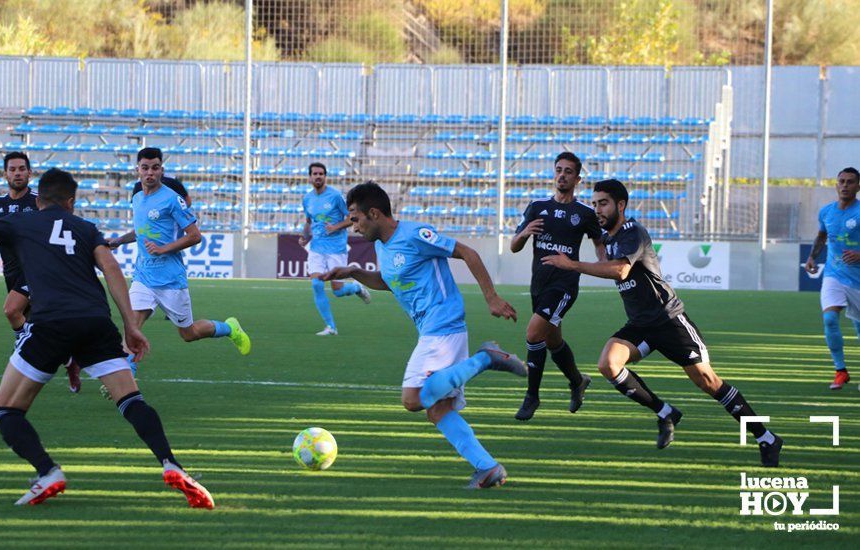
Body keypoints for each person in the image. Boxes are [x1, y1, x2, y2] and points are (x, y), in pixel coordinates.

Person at [0, 168, 214, 508]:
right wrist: (131, 325)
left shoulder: (19, 221)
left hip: (50, 323)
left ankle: (47, 472)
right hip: (95, 323)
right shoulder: (86, 228)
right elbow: (112, 269)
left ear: (38, 200)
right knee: (131, 400)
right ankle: (171, 464)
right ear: (72, 202)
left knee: (5, 413)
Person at [542, 179, 783, 467]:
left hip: (668, 319)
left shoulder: (633, 232)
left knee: (708, 382)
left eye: (603, 203)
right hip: (640, 324)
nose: (597, 209)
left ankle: (766, 437)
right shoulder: (610, 238)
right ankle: (665, 411)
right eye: (593, 204)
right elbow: (605, 256)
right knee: (608, 363)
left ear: (621, 205)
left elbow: (620, 271)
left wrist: (572, 264)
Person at [321, 181, 527, 488]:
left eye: (354, 217)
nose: (352, 226)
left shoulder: (416, 235)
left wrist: (491, 297)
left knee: (413, 398)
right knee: (438, 409)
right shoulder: (382, 245)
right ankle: (488, 467)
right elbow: (390, 281)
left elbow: (467, 253)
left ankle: (486, 358)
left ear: (374, 213)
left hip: (442, 322)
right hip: (431, 328)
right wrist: (353, 272)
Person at [106, 148, 250, 381]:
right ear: (137, 170)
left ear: (161, 170)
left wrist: (163, 248)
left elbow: (195, 235)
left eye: (155, 168)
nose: (150, 172)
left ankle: (229, 328)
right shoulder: (136, 198)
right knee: (131, 324)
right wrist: (120, 241)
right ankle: (127, 376)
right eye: (145, 168)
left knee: (189, 333)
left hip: (170, 280)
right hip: (143, 275)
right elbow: (141, 231)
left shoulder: (172, 199)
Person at [510, 152, 604, 420]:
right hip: (539, 284)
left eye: (568, 171)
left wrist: (605, 266)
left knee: (533, 333)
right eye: (558, 170)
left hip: (564, 286)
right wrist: (525, 233)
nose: (562, 175)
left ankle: (532, 397)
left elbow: (599, 244)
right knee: (552, 339)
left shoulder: (585, 213)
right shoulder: (537, 207)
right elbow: (514, 247)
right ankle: (577, 381)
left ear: (578, 178)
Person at [0, 152, 82, 393]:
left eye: (22, 169)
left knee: (11, 310)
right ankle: (70, 361)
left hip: (36, 269)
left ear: (30, 173)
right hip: (11, 273)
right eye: (12, 169)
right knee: (41, 325)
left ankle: (23, 350)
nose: (17, 173)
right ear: (5, 174)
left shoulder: (38, 202)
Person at [299, 162, 370, 336]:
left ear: (325, 176)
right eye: (315, 173)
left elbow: (352, 217)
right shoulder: (307, 199)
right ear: (310, 177)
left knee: (337, 290)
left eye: (321, 174)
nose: (318, 176)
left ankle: (356, 288)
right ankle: (331, 327)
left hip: (336, 248)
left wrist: (336, 227)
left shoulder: (335, 196)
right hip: (316, 248)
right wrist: (304, 237)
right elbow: (309, 221)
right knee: (317, 284)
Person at [805, 167, 860, 390]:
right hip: (833, 274)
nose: (845, 185)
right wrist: (811, 257)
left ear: (858, 186)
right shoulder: (826, 212)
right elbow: (822, 236)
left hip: (857, 279)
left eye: (850, 182)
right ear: (836, 185)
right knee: (829, 319)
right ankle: (840, 370)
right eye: (841, 181)